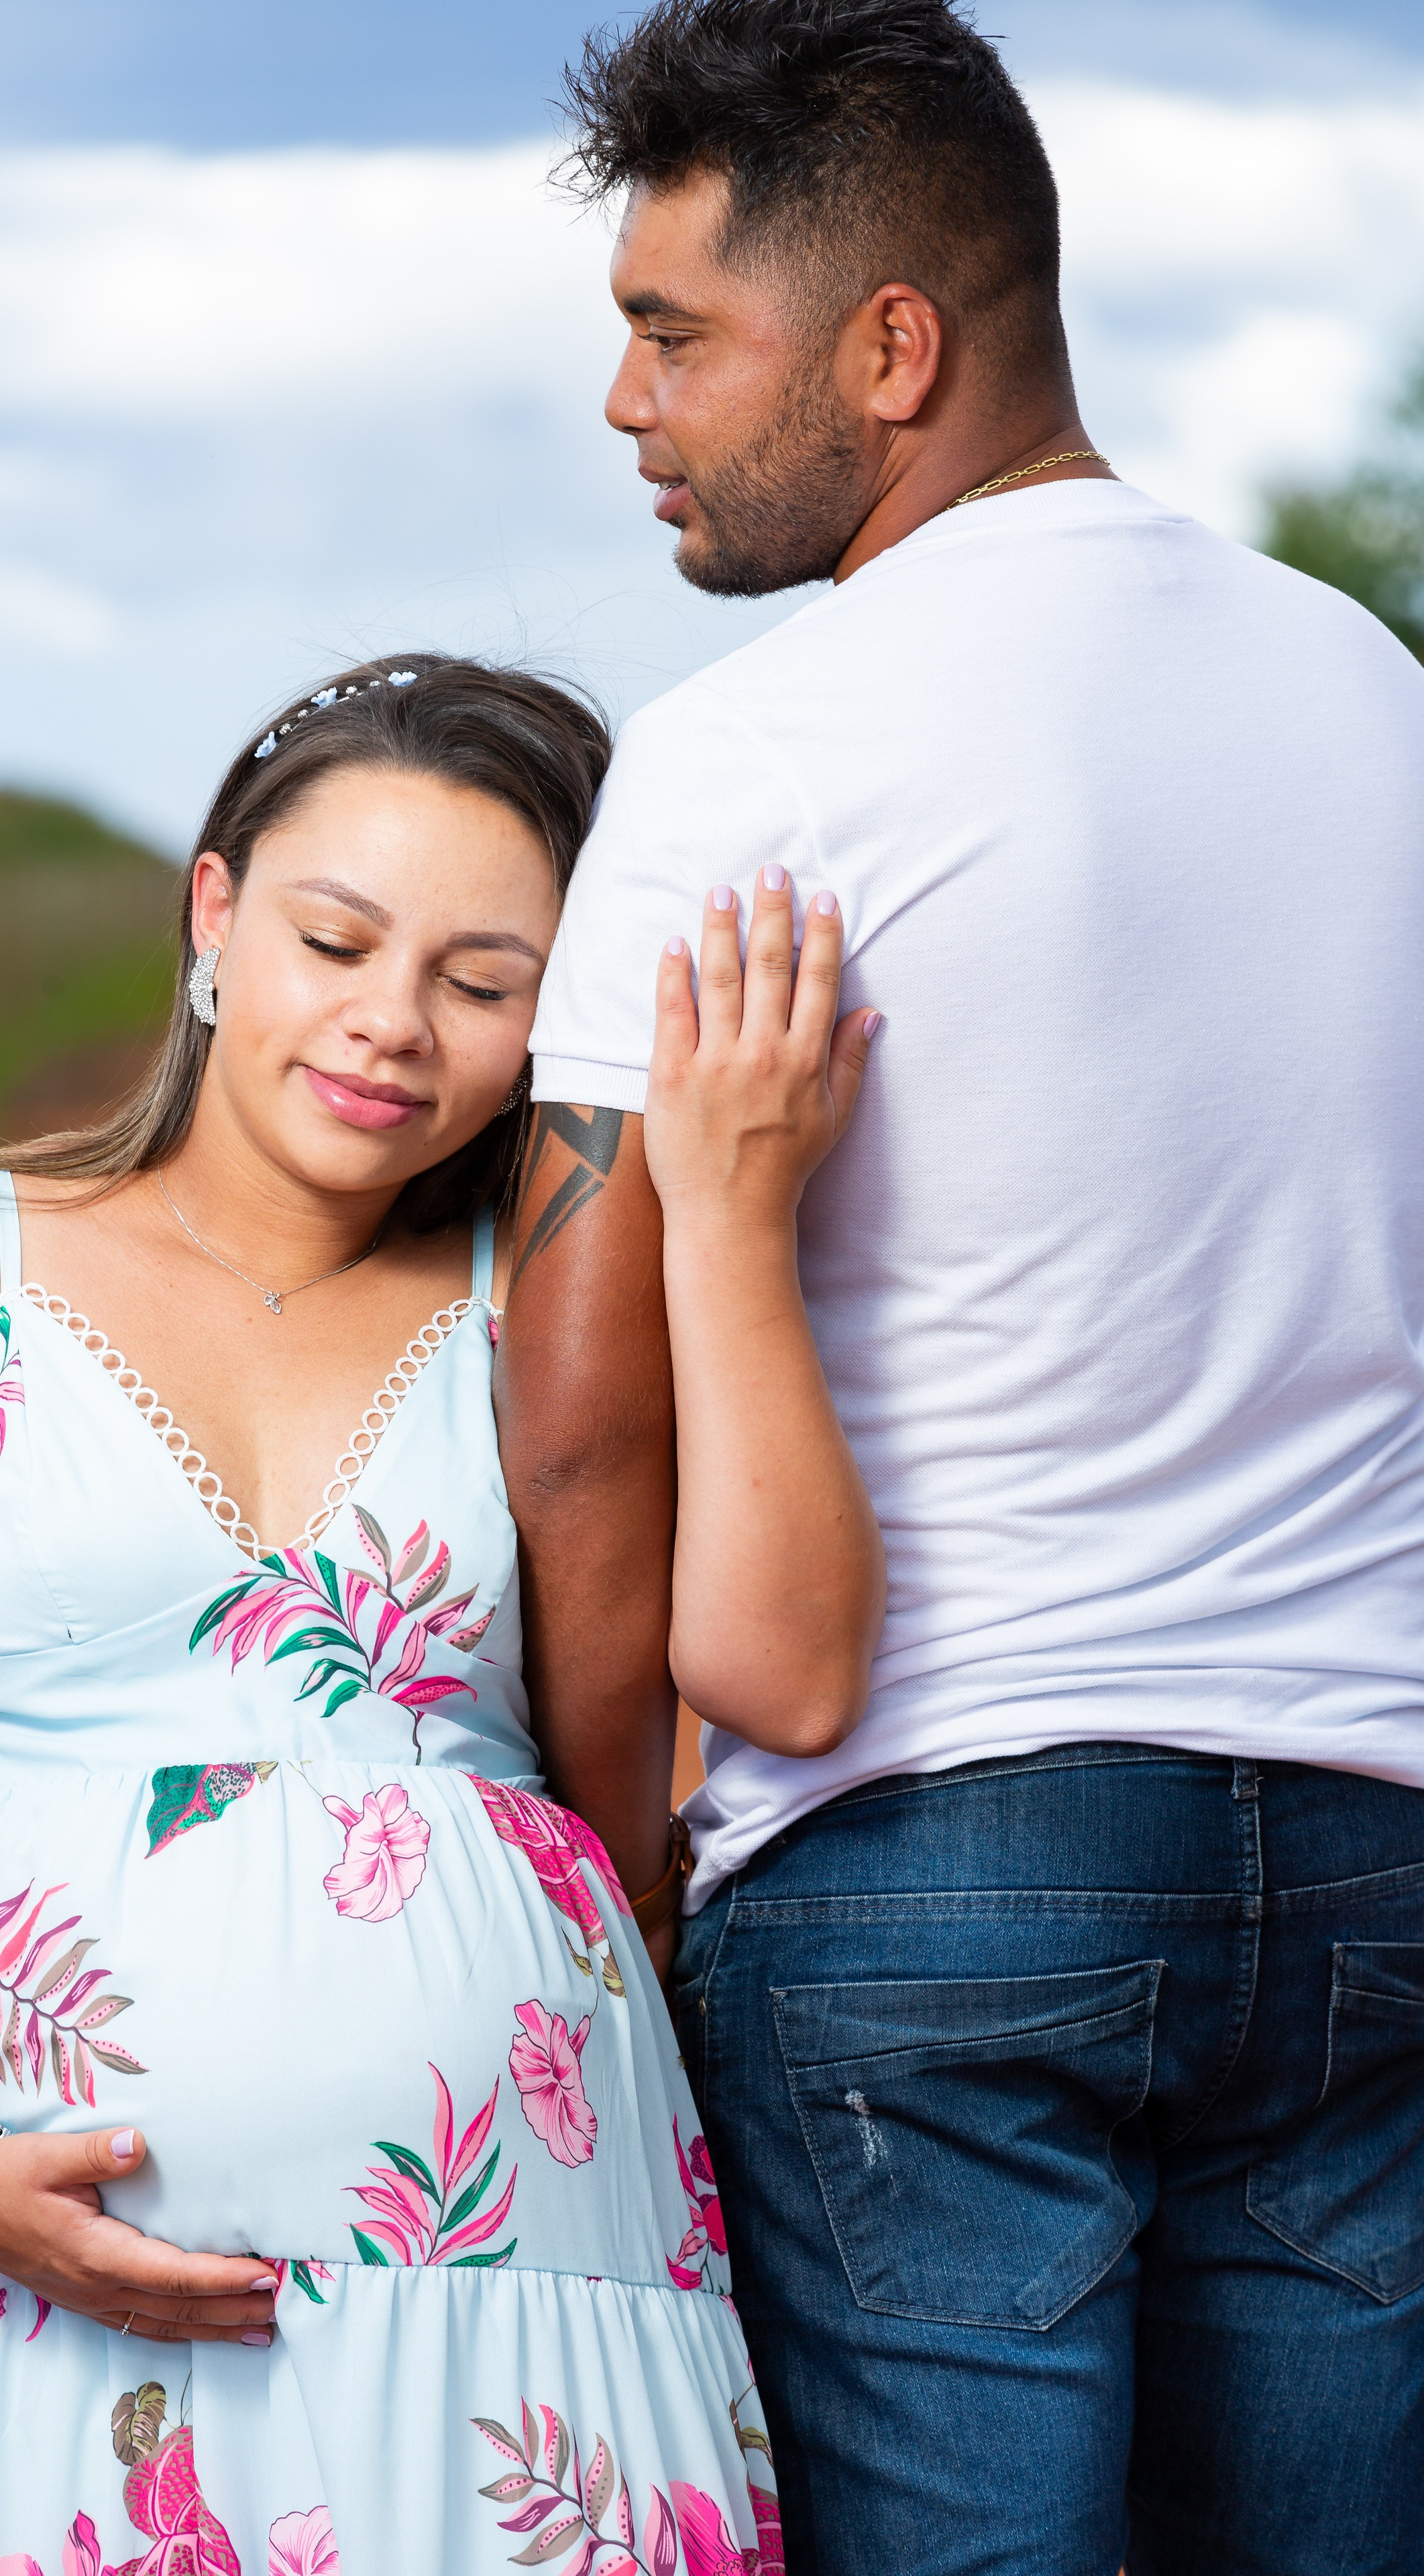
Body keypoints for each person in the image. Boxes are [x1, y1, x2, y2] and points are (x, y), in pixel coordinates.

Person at [500, 7, 1424, 2574]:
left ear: (894, 349)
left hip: (938, 1869)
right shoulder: (1383, 702)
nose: (622, 399)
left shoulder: (762, 752)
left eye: (679, 331)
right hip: (1374, 1861)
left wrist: (617, 1888)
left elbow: (582, 1417)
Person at [0, 655, 877, 2571]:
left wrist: (729, 1221)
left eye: (483, 984)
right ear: (214, 918)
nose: (390, 1026)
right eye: (337, 940)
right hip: (67, 2290)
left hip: (536, 2298)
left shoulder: (558, 1319)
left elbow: (786, 1670)